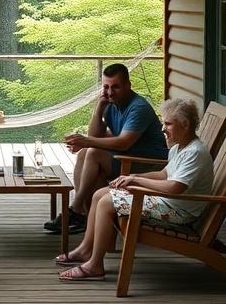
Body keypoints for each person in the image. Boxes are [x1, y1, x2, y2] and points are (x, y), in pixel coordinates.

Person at [56, 97, 214, 281]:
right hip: (167, 203)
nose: (163, 129)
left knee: (108, 202)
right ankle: (85, 250)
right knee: (100, 194)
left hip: (179, 211)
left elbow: (173, 187)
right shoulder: (179, 147)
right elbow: (164, 174)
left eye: (168, 124)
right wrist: (133, 177)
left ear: (185, 124)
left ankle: (94, 265)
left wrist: (137, 184)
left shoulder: (194, 153)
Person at [44, 63, 167, 234]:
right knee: (86, 155)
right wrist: (98, 109)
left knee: (92, 153)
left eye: (116, 87)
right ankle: (88, 219)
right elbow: (96, 135)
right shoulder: (110, 103)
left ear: (128, 86)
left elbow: (123, 143)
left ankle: (76, 209)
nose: (110, 92)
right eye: (106, 87)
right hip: (127, 159)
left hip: (150, 165)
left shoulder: (138, 108)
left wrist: (86, 141)